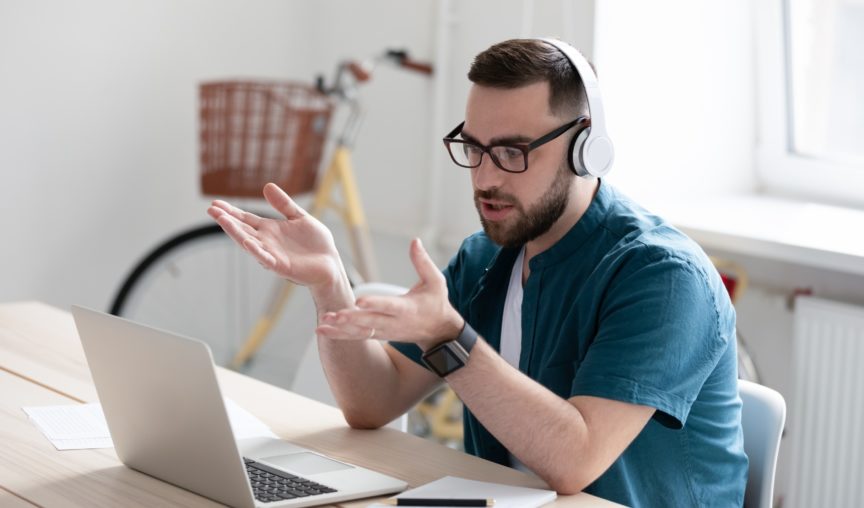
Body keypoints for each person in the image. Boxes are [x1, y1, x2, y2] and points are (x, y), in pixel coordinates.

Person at [208, 38, 748, 507]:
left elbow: (574, 460)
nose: (485, 178)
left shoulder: (662, 277)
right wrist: (329, 284)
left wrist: (449, 335)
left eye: (512, 152)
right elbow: (373, 403)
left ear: (586, 148)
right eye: (473, 147)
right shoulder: (487, 256)